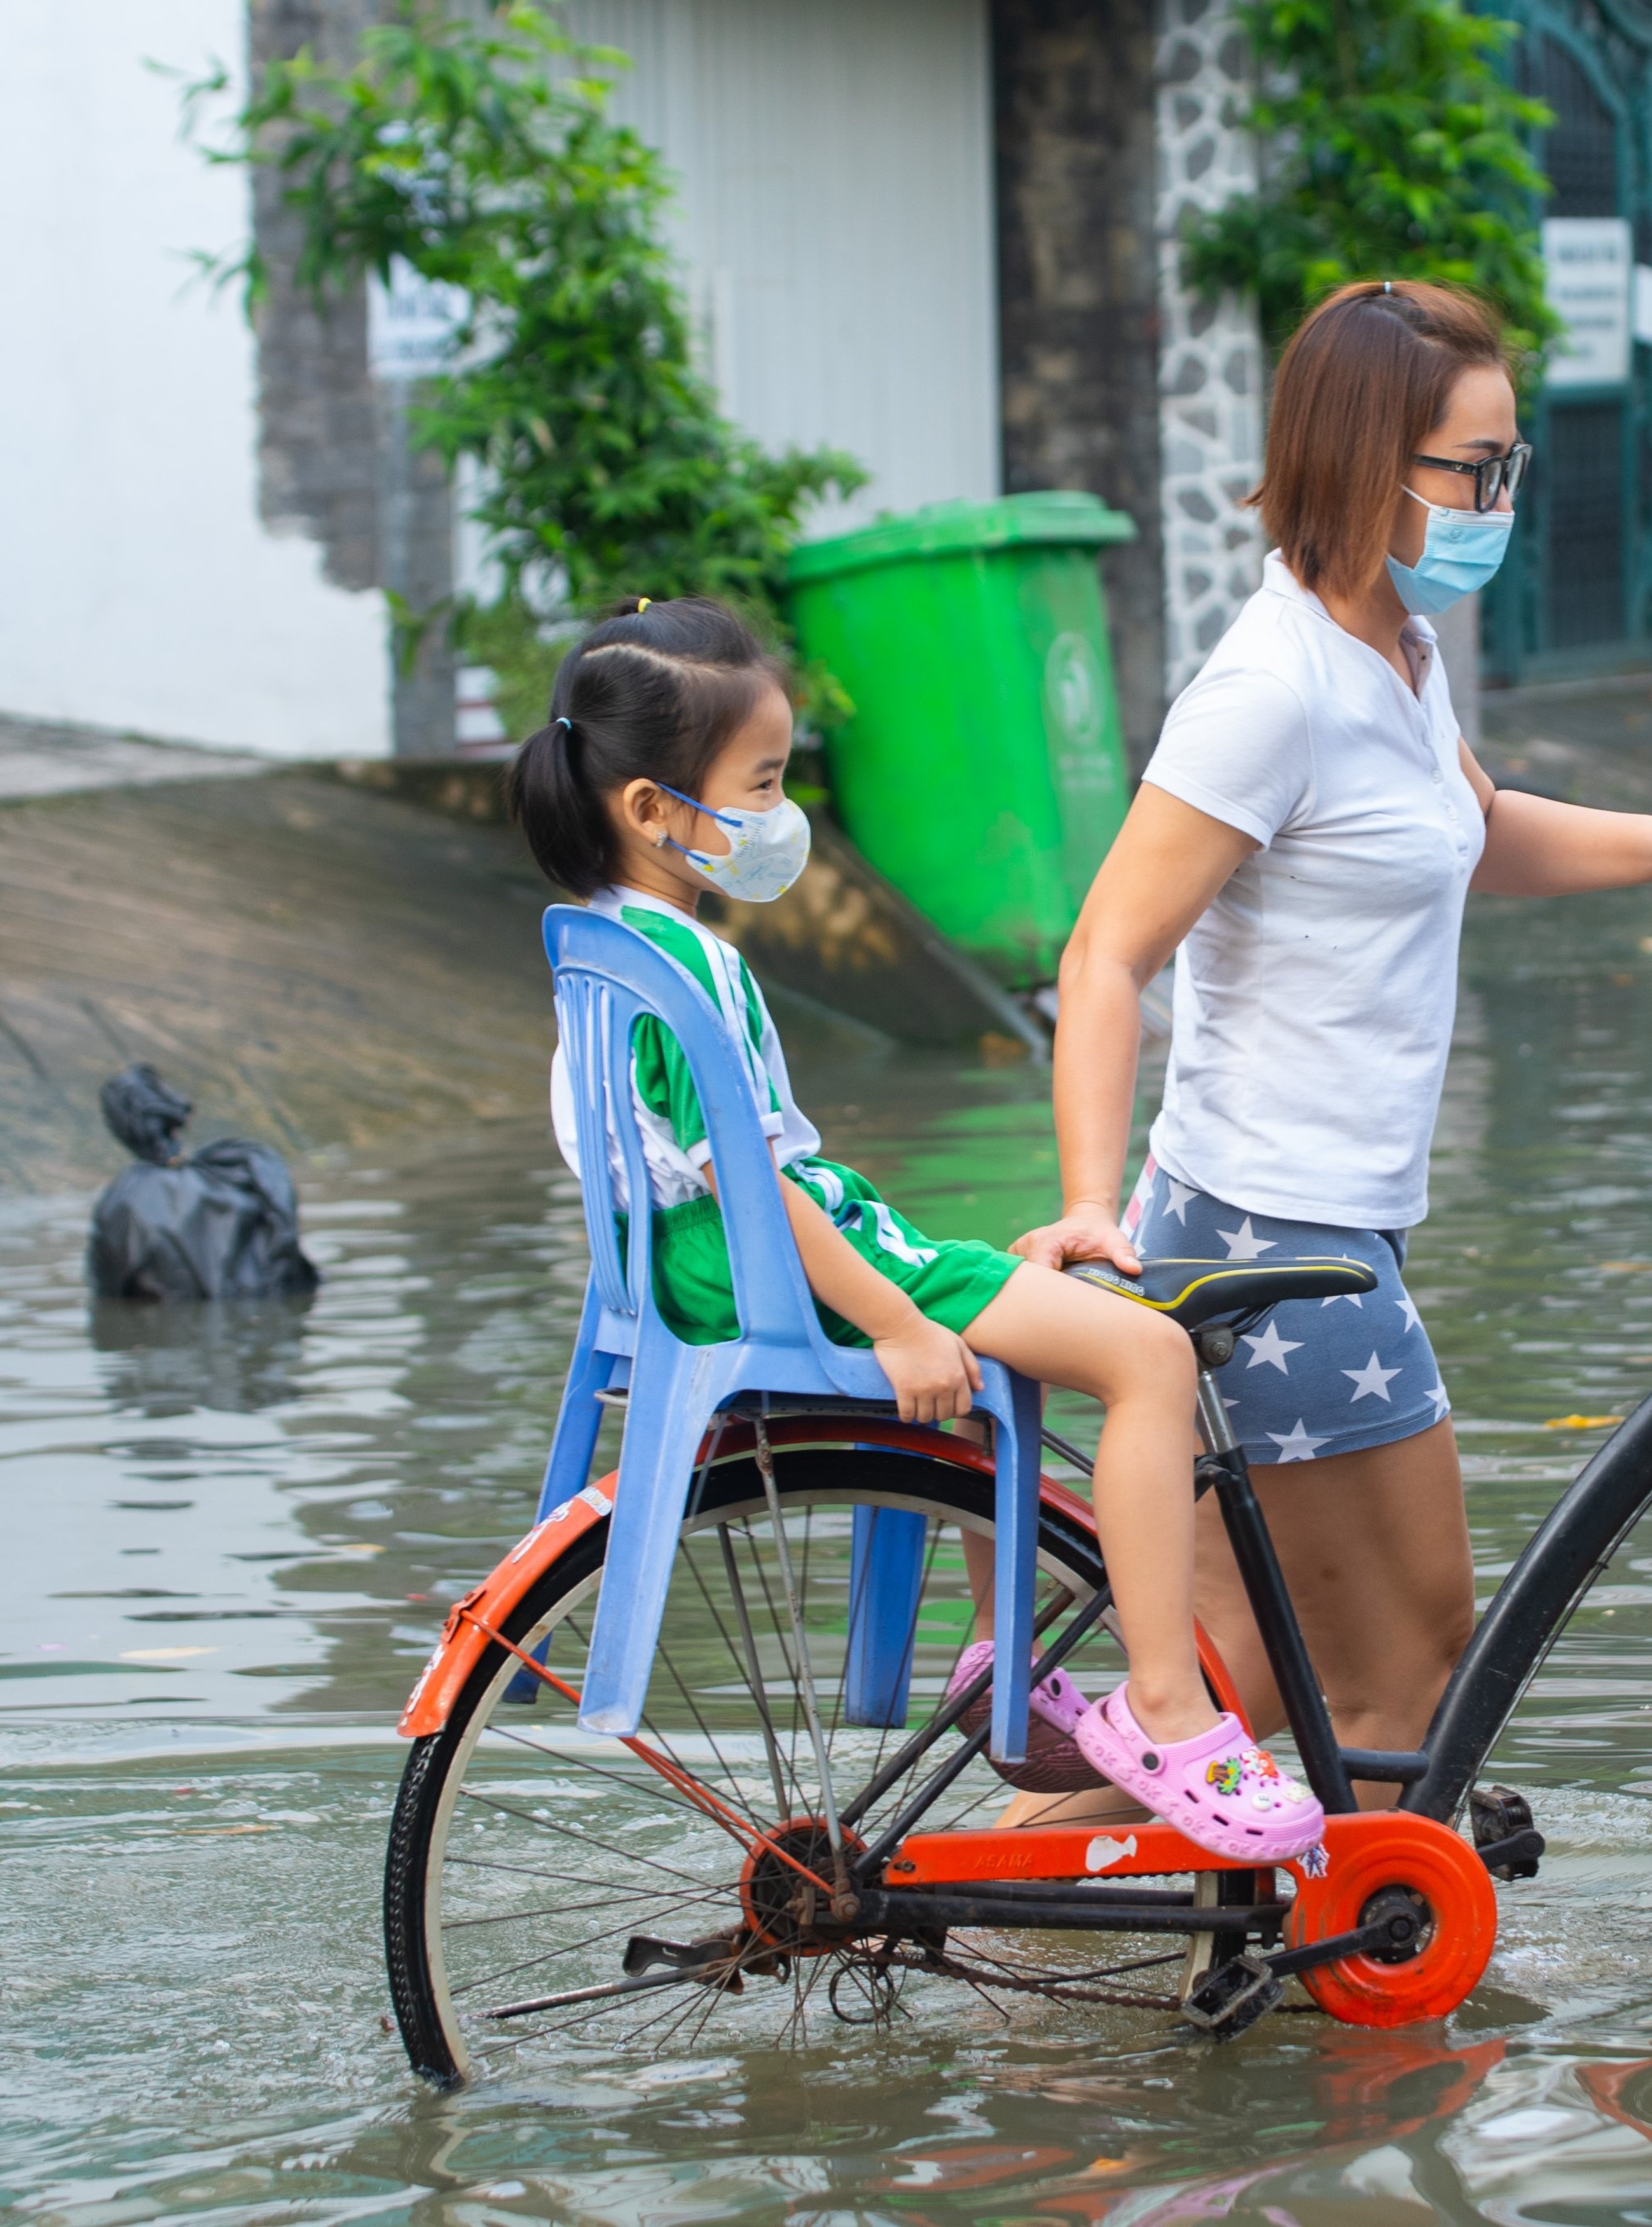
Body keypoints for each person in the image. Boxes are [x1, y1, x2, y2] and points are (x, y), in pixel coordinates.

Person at [1013, 280, 1652, 1788]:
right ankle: (1376, 2022)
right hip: (1282, 1243)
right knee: (1411, 1685)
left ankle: (1021, 1948)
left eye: (1510, 467)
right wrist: (1084, 1196)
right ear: (1368, 461)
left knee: (1243, 1672)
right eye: (1477, 470)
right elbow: (1110, 952)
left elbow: (1473, 828)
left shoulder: (1395, 650)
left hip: (1306, 1224)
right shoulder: (1272, 693)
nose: (1500, 501)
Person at [509, 596, 1320, 1863]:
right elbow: (754, 1186)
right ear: (655, 811)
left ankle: (1002, 1653)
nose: (785, 817)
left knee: (1017, 1308)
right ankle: (1165, 1708)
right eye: (763, 785)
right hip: (782, 1267)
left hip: (697, 1273)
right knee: (1146, 1358)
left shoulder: (602, 951)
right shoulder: (694, 970)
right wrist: (896, 1320)